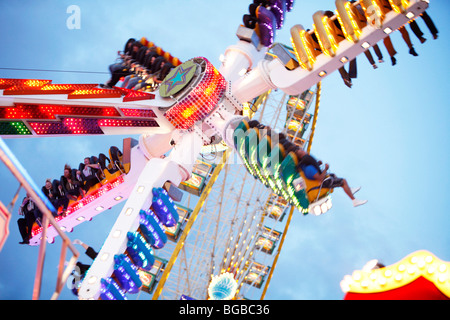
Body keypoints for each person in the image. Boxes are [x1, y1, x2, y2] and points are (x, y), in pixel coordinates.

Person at [295, 149, 368, 207]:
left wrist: (318, 164)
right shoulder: (309, 169)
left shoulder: (305, 166)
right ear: (302, 156)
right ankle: (354, 200)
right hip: (321, 183)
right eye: (302, 151)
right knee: (343, 181)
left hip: (321, 180)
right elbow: (320, 178)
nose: (304, 151)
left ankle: (349, 189)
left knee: (333, 175)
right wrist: (326, 169)